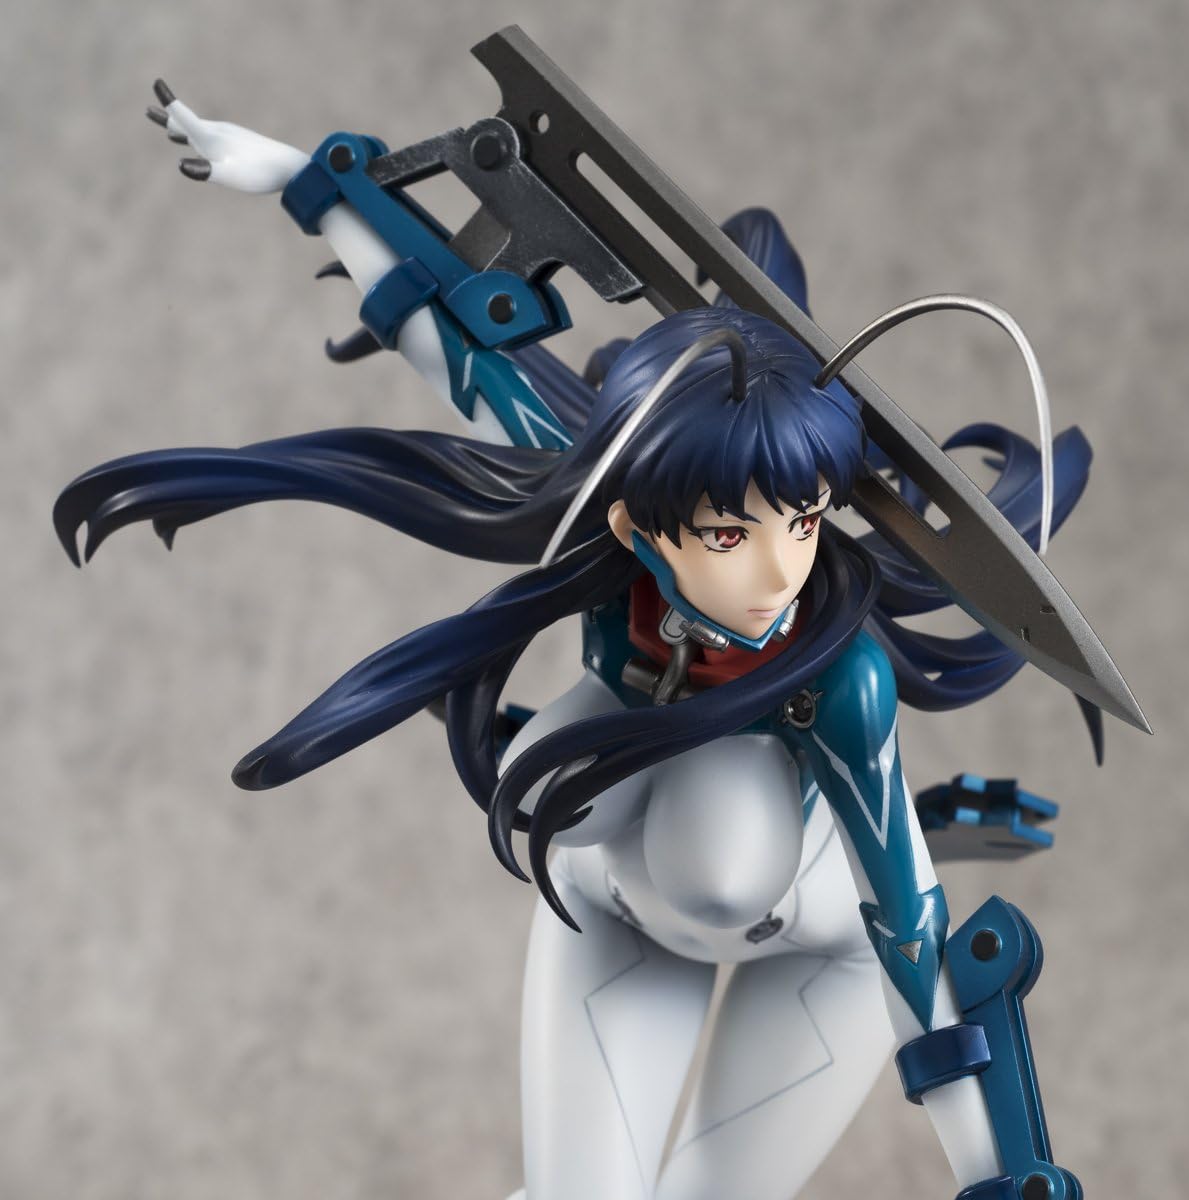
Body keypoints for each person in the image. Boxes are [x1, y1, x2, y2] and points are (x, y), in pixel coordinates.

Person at [55, 87, 1095, 1200]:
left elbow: (912, 936)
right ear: (638, 524)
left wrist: (995, 1178)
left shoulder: (840, 680)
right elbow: (450, 338)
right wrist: (307, 180)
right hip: (617, 923)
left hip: (817, 949)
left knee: (722, 844)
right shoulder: (605, 507)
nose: (779, 571)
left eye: (801, 521)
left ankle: (873, 832)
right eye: (729, 534)